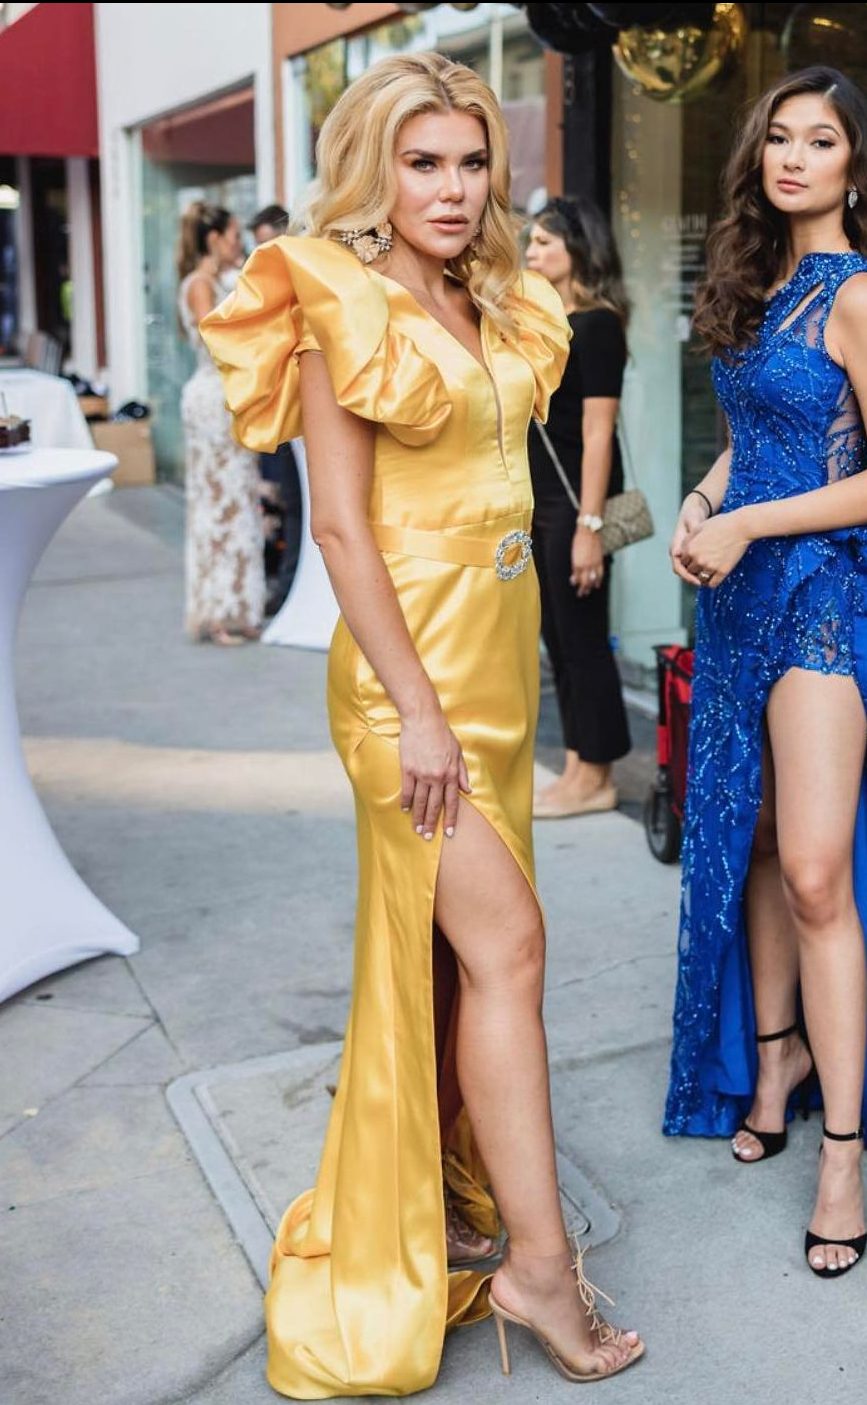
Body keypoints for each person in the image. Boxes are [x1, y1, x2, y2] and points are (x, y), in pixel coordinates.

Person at [202, 51, 643, 1397]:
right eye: (421, 163)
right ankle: (539, 1269)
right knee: (511, 947)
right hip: (409, 682)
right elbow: (339, 529)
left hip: (497, 660)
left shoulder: (492, 290)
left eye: (469, 161)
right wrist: (415, 714)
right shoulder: (338, 300)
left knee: (460, 962)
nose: (451, 189)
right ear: (373, 169)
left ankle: (446, 1194)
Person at [664, 65, 867, 1279]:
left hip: (825, 597)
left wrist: (747, 523)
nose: (794, 157)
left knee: (814, 869)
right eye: (780, 137)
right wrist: (703, 502)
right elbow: (752, 441)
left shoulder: (859, 293)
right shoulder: (760, 281)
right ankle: (776, 1055)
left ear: (855, 164)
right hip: (739, 592)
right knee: (750, 840)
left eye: (822, 140)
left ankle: (843, 1151)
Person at [524, 198, 631, 818]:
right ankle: (574, 767)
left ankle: (599, 775)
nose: (532, 252)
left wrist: (591, 526)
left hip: (576, 505)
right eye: (531, 242)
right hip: (540, 502)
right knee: (558, 641)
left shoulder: (597, 326)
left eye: (545, 242)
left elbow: (598, 432)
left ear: (578, 250)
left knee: (585, 640)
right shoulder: (545, 322)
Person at [177, 201, 265, 644]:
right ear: (214, 239)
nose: (239, 244)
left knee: (239, 496)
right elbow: (215, 340)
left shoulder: (224, 280)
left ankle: (239, 604)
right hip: (211, 398)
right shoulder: (199, 284)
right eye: (234, 236)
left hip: (229, 396)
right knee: (216, 500)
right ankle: (215, 611)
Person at [248, 203, 303, 615]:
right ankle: (286, 585)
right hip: (278, 407)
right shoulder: (264, 289)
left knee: (300, 504)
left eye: (268, 243)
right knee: (285, 500)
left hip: (302, 408)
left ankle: (287, 587)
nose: (263, 253)